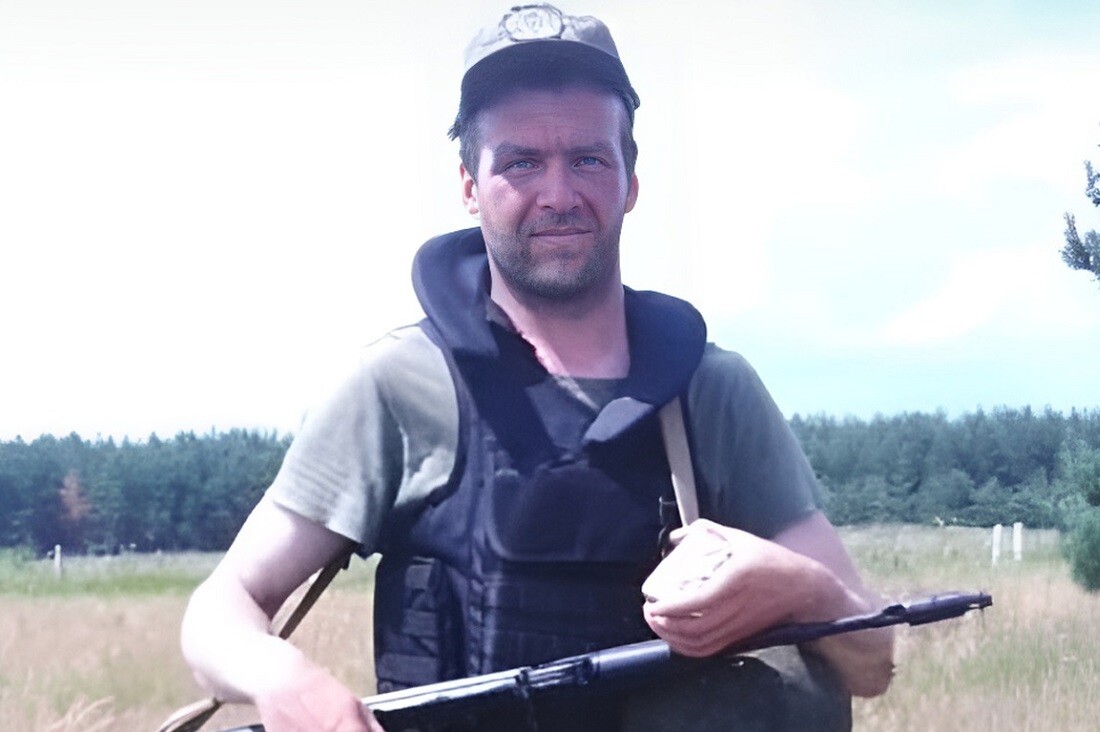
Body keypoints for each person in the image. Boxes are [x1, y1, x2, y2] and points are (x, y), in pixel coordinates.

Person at [180, 4, 895, 731]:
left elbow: (872, 663)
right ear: (469, 186)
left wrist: (802, 590)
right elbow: (220, 611)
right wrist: (282, 678)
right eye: (521, 163)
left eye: (588, 159)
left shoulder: (708, 392)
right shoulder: (398, 385)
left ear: (631, 182)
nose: (558, 195)